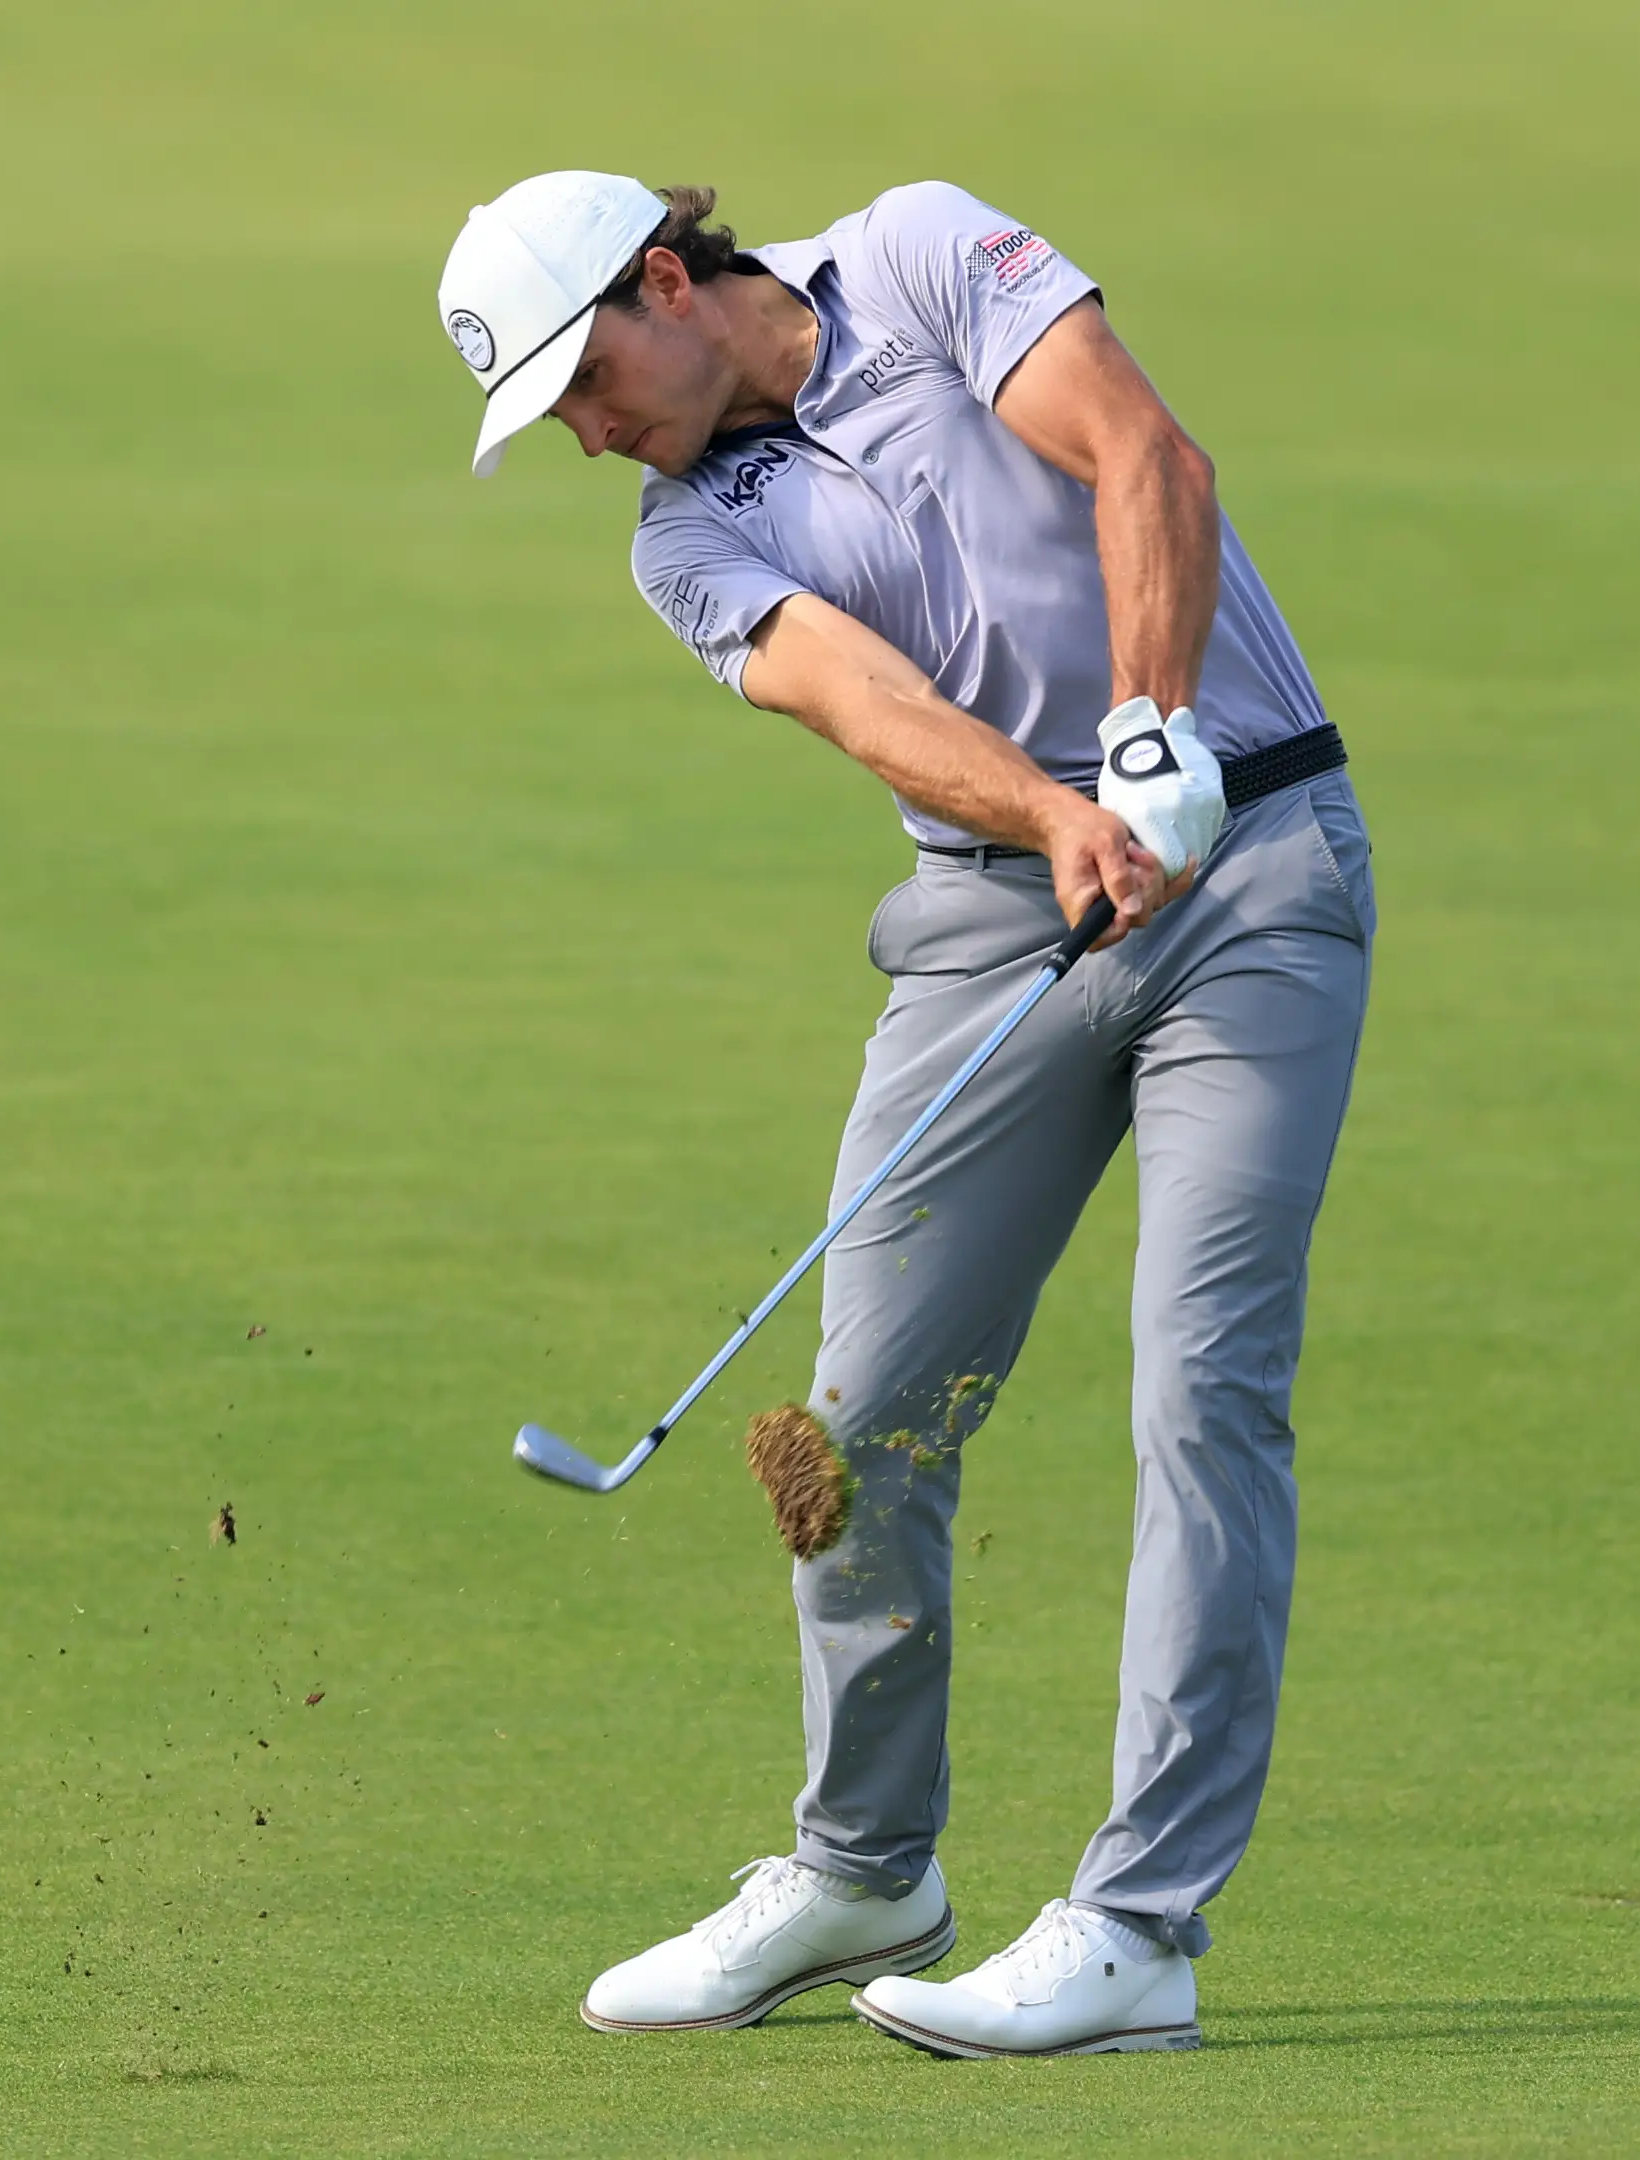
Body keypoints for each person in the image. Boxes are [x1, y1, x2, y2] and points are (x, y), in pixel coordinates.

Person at [436, 171, 1374, 2059]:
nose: (583, 427)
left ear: (667, 277)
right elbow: (864, 702)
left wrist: (1151, 730)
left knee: (1203, 1385)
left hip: (1254, 863)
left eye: (584, 373)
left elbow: (1147, 462)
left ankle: (1139, 1923)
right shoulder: (678, 538)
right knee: (855, 1424)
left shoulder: (926, 255)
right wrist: (1061, 818)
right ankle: (866, 1863)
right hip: (993, 917)